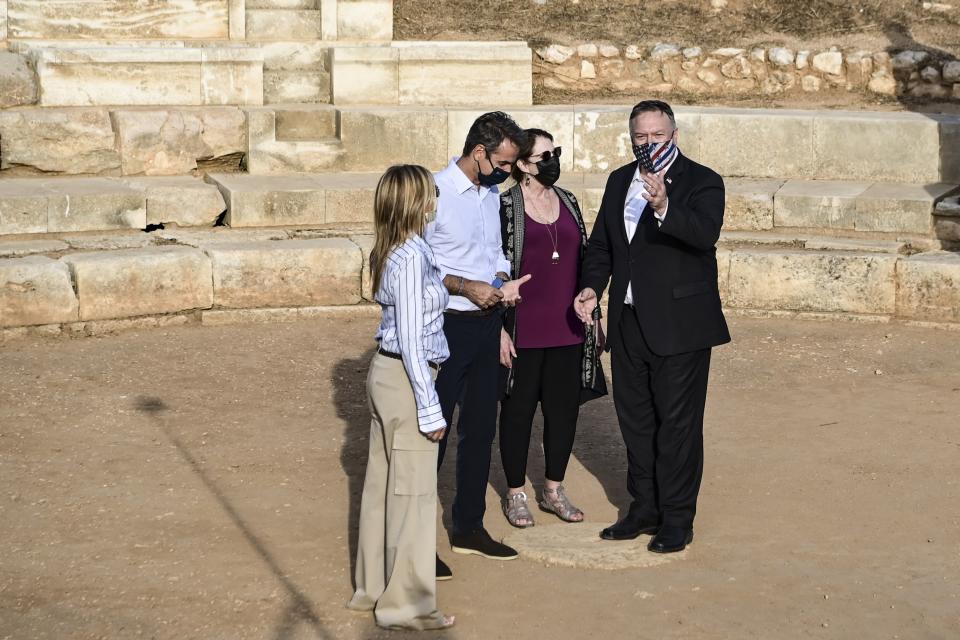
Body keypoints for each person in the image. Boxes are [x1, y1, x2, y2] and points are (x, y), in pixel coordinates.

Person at [575, 100, 730, 554]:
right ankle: (644, 508)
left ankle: (677, 519)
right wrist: (590, 288)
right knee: (637, 423)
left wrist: (664, 206)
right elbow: (603, 245)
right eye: (640, 137)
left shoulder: (703, 181)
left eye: (656, 136)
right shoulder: (619, 180)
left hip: (681, 326)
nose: (648, 144)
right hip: (628, 323)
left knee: (678, 425)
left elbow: (705, 234)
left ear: (674, 135)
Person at [348, 165, 454, 630]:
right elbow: (413, 340)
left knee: (380, 487)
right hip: (408, 380)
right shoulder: (410, 258)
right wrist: (429, 407)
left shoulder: (399, 249)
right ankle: (406, 605)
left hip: (387, 376)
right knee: (412, 493)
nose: (435, 200)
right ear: (415, 202)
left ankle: (372, 588)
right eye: (430, 193)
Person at [424, 112, 530, 576]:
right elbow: (415, 265)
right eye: (505, 163)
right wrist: (468, 287)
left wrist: (502, 279)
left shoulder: (491, 195)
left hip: (489, 324)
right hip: (446, 324)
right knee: (434, 434)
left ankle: (468, 527)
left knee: (481, 428)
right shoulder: (433, 192)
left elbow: (495, 254)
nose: (510, 172)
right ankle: (417, 542)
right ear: (480, 153)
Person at [497, 128, 607, 528]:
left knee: (563, 414)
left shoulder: (568, 200)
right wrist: (498, 329)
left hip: (568, 329)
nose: (553, 161)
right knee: (517, 415)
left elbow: (585, 259)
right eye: (545, 156)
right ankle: (515, 494)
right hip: (522, 331)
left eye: (555, 153)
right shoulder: (504, 206)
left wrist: (593, 308)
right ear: (524, 165)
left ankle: (553, 490)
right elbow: (488, 267)